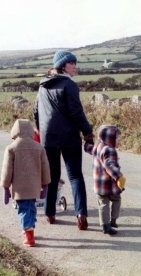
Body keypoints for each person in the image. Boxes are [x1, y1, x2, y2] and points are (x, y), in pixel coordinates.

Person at [33, 50, 94, 230]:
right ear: (62, 65)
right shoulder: (69, 85)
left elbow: (35, 111)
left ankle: (50, 213)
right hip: (69, 136)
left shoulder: (42, 85)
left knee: (52, 176)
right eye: (71, 63)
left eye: (75, 63)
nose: (75, 66)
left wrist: (40, 129)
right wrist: (88, 132)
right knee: (75, 175)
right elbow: (76, 112)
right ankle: (81, 214)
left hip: (48, 137)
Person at [0, 119, 51, 247]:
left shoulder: (11, 148)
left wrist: (5, 187)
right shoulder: (39, 147)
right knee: (31, 207)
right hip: (34, 186)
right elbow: (45, 167)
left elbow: (7, 169)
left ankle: (29, 235)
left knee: (23, 209)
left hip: (20, 187)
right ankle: (29, 229)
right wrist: (45, 184)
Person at [84, 125, 126, 235]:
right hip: (110, 184)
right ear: (109, 138)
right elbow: (110, 165)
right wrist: (118, 176)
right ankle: (112, 220)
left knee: (103, 204)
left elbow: (88, 148)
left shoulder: (98, 146)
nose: (119, 141)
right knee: (116, 200)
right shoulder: (109, 150)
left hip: (99, 184)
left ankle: (105, 225)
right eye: (117, 138)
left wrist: (88, 140)